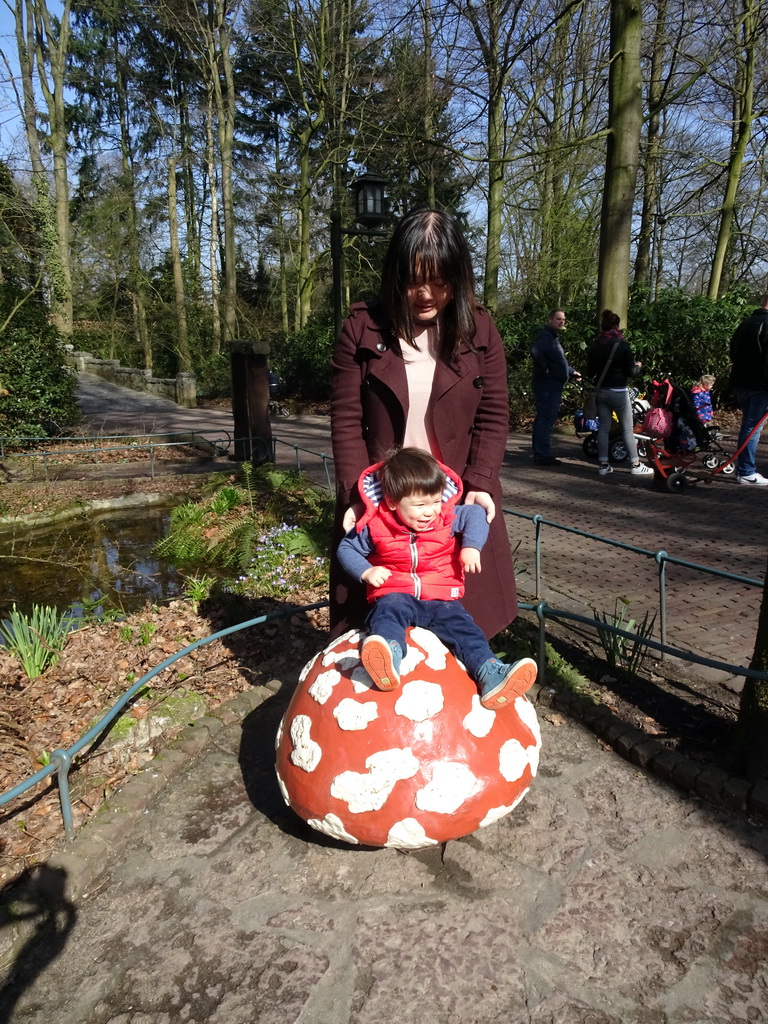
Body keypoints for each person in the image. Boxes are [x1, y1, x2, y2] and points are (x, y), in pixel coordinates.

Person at [329, 208, 518, 641]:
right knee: (381, 625)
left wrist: (482, 482)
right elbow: (346, 420)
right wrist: (356, 497)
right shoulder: (361, 329)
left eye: (441, 281)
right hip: (382, 502)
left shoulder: (480, 330)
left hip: (452, 502)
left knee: (461, 627)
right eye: (415, 279)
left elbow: (493, 415)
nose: (427, 294)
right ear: (396, 274)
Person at [337, 448, 537, 708]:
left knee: (466, 631)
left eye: (434, 501)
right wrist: (366, 571)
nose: (430, 511)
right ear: (392, 501)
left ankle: (491, 673)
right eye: (420, 505)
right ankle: (388, 656)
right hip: (396, 592)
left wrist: (471, 547)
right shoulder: (375, 525)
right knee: (387, 614)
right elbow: (347, 548)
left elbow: (475, 515)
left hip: (441, 598)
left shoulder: (446, 517)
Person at [586, 310, 653, 478]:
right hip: (619, 392)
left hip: (601, 391)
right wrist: (638, 366)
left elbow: (590, 372)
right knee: (627, 429)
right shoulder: (622, 345)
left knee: (604, 428)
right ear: (616, 325)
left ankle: (603, 465)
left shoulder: (595, 344)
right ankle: (635, 464)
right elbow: (630, 371)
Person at [530, 310, 581, 465]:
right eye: (558, 319)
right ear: (550, 319)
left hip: (551, 384)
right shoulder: (547, 337)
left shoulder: (552, 338)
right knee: (545, 419)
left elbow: (557, 361)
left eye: (563, 319)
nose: (561, 322)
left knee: (543, 419)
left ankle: (540, 452)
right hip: (548, 386)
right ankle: (542, 455)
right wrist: (544, 369)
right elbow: (535, 351)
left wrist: (571, 371)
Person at [729, 296, 768, 486]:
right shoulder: (767, 324)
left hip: (742, 383)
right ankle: (746, 470)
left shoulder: (744, 324)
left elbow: (733, 352)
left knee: (748, 426)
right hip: (761, 386)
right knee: (753, 428)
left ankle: (745, 468)